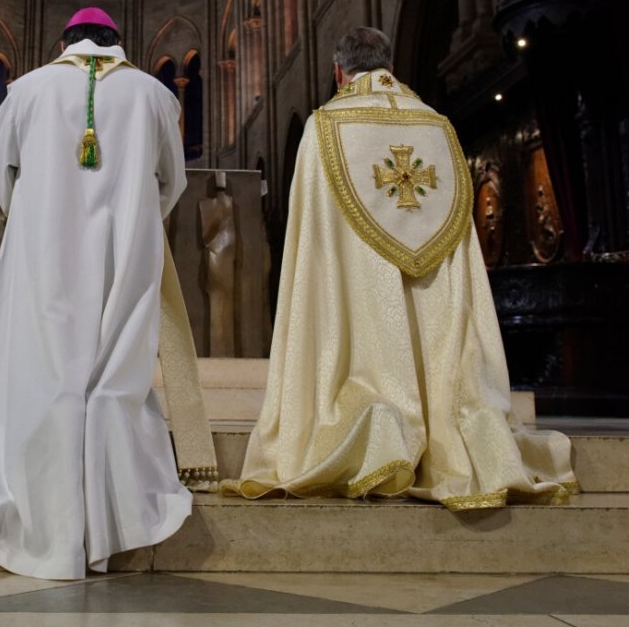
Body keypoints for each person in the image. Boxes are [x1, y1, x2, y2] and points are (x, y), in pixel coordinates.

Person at [228, 26, 577, 509]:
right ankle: (450, 429)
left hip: (360, 292)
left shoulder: (325, 126)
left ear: (337, 71)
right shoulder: (437, 126)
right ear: (389, 65)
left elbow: (315, 242)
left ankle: (379, 425)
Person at [0, 8, 196, 577]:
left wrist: (30, 215)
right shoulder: (155, 96)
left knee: (46, 369)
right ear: (117, 41)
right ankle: (116, 520)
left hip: (43, 254)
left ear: (65, 42)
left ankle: (48, 526)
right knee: (114, 374)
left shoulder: (26, 89)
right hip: (124, 253)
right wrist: (134, 222)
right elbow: (173, 180)